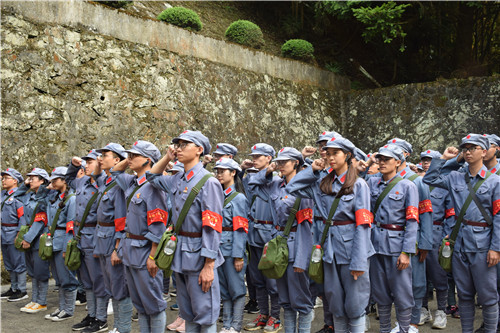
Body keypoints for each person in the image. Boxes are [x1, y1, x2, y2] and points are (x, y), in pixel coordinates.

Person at [287, 137, 374, 333]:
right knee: (335, 302)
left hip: (352, 249)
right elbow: (291, 187)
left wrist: (359, 261)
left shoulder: (359, 185)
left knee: (355, 304)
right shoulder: (323, 183)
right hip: (328, 250)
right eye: (328, 153)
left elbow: (363, 225)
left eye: (336, 153)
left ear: (348, 155)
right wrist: (313, 170)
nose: (330, 157)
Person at [147, 130, 224, 332]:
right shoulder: (178, 179)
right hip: (180, 253)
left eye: (184, 145)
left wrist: (209, 264)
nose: (178, 148)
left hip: (199, 254)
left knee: (205, 315)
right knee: (188, 312)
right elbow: (151, 177)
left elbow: (213, 226)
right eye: (177, 145)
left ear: (199, 150)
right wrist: (167, 157)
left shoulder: (209, 182)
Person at [423, 134, 500, 333]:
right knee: (464, 295)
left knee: (488, 296)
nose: (467, 151)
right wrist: (447, 158)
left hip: (483, 245)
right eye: (464, 148)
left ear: (484, 152)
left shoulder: (495, 182)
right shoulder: (456, 176)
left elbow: (499, 218)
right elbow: (430, 178)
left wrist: (496, 248)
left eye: (472, 148)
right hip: (459, 244)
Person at [248, 147, 314, 333]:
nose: (280, 165)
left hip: (296, 248)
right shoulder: (276, 184)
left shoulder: (305, 189)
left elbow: (306, 227)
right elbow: (253, 186)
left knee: (301, 300)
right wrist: (267, 172)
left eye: (285, 162)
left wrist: (302, 259)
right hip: (278, 247)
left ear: (296, 163)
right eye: (279, 162)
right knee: (285, 299)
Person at [112, 140, 168, 333]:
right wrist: (128, 160)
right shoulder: (132, 182)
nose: (129, 159)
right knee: (141, 303)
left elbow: (158, 226)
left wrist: (153, 256)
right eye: (129, 155)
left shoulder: (154, 187)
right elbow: (114, 172)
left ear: (148, 160)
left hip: (145, 251)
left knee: (153, 302)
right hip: (130, 250)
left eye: (134, 156)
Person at [366, 144, 419, 333]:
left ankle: (404, 329)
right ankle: (385, 330)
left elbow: (412, 221)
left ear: (398, 162)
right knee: (380, 293)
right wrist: (368, 162)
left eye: (386, 160)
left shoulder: (408, 186)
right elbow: (353, 179)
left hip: (397, 245)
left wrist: (406, 251)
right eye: (380, 159)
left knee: (402, 292)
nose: (381, 163)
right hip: (375, 243)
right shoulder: (372, 182)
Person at [388, 138, 433, 333]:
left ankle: (413, 322)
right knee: (395, 283)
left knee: (415, 282)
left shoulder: (417, 180)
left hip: (413, 240)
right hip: (391, 240)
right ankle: (401, 321)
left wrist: (424, 242)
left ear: (404, 155)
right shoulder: (385, 179)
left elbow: (425, 213)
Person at [66, 150, 111, 333]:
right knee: (86, 280)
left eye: (90, 161)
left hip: (95, 234)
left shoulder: (103, 183)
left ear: (100, 163)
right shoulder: (83, 181)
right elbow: (69, 179)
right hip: (80, 234)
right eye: (86, 162)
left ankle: (101, 319)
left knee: (98, 279)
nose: (87, 165)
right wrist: (73, 165)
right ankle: (91, 315)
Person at [240, 143, 282, 332]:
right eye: (254, 156)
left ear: (269, 159)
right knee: (257, 279)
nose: (255, 159)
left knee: (272, 281)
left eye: (259, 156)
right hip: (254, 232)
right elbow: (249, 184)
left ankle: (275, 316)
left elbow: (263, 181)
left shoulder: (275, 178)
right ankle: (263, 314)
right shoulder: (251, 177)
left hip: (269, 234)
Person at [93, 142, 133, 333]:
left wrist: (118, 248)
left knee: (119, 287)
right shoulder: (105, 182)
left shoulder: (118, 185)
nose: (100, 159)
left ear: (117, 160)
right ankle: (117, 326)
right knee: (110, 286)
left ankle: (123, 328)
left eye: (105, 155)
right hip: (102, 238)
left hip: (112, 239)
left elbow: (121, 219)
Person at [418, 149, 454, 329]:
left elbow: (451, 214)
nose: (426, 164)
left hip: (436, 232)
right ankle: (423, 309)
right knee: (420, 276)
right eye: (424, 160)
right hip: (418, 233)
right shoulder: (416, 183)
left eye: (430, 161)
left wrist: (446, 237)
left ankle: (441, 310)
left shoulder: (443, 185)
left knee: (438, 275)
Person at [213, 158, 249, 333]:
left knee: (237, 290)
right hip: (218, 248)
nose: (219, 174)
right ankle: (226, 325)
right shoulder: (218, 194)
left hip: (231, 249)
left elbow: (240, 229)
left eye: (223, 171)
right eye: (217, 171)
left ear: (233, 172)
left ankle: (236, 325)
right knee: (224, 290)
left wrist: (238, 255)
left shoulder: (239, 198)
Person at [43, 166, 78, 322]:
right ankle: (62, 306)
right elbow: (39, 196)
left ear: (65, 180)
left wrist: (66, 248)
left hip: (63, 241)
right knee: (58, 278)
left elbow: (71, 227)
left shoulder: (72, 199)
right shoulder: (55, 197)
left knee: (67, 278)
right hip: (54, 241)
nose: (53, 183)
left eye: (56, 180)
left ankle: (68, 309)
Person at [18, 168, 52, 313]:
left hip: (39, 239)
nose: (30, 180)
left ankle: (42, 302)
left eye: (33, 178)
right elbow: (15, 196)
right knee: (32, 271)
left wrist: (28, 238)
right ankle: (34, 300)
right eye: (29, 178)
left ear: (42, 180)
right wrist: (24, 185)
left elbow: (40, 221)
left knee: (41, 271)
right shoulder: (30, 196)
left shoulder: (45, 197)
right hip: (30, 239)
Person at [1, 168, 28, 302]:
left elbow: (22, 216)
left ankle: (22, 289)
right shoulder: (2, 194)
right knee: (9, 261)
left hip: (13, 231)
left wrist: (20, 233)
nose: (3, 180)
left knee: (18, 261)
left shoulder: (19, 195)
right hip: (3, 232)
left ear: (15, 181)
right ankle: (13, 287)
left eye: (6, 178)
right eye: (3, 178)